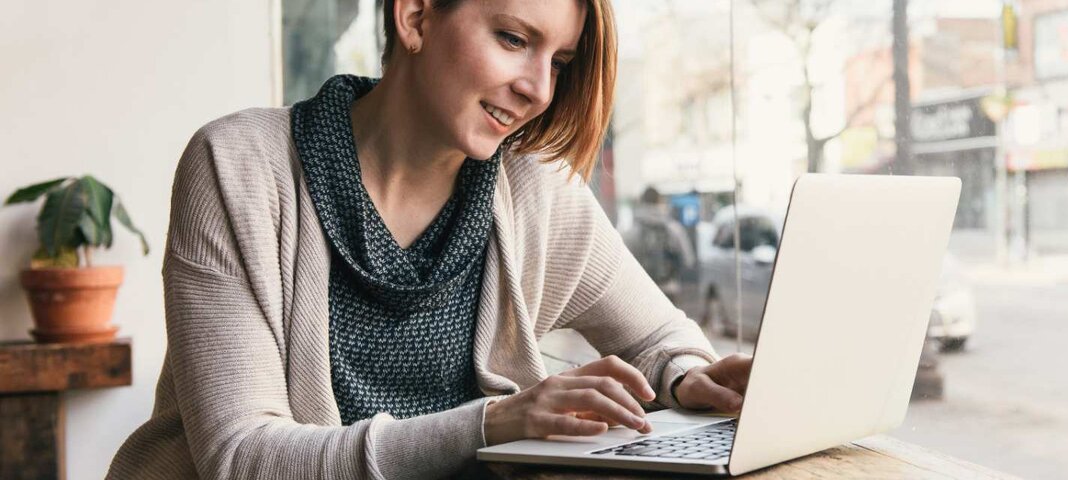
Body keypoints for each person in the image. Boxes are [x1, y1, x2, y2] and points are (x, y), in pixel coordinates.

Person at [108, 1, 750, 478]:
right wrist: (493, 423)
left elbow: (659, 339)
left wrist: (692, 379)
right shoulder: (238, 167)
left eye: (558, 61)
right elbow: (241, 457)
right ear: (414, 16)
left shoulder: (535, 191)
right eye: (512, 39)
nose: (537, 89)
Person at [624, 187, 695, 302]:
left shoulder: (630, 232)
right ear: (659, 201)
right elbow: (689, 260)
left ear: (642, 202)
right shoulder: (674, 229)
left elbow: (624, 266)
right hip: (669, 289)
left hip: (642, 293)